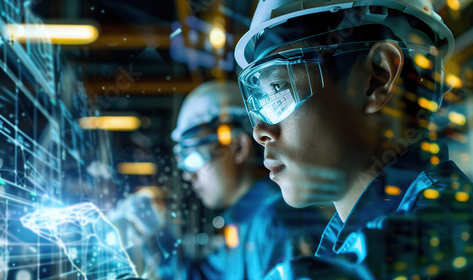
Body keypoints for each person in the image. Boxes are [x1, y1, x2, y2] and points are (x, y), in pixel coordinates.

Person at [234, 0, 473, 279]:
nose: (260, 131)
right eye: (263, 102)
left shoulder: (449, 233)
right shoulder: (346, 246)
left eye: (279, 89)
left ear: (377, 79)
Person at [110, 80, 326, 280]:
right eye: (183, 162)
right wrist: (157, 240)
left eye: (194, 158)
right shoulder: (243, 222)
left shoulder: (278, 221)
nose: (188, 175)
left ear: (238, 147)